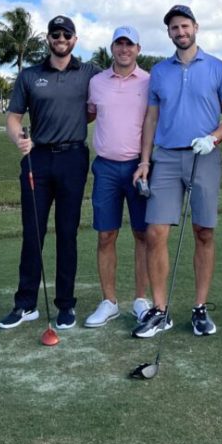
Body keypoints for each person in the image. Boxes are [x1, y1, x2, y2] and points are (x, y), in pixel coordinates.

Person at [132, 5, 222, 338]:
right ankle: (160, 310)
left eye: (185, 26)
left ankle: (199, 307)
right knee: (155, 233)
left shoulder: (219, 68)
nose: (180, 32)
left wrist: (214, 138)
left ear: (196, 27)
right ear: (168, 33)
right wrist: (145, 160)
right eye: (174, 28)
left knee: (204, 232)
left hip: (204, 156)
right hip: (164, 157)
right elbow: (150, 118)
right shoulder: (159, 71)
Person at [0, 15, 99, 331]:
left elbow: (106, 98)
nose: (60, 38)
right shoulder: (30, 75)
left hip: (73, 159)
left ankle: (66, 305)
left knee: (67, 234)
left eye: (66, 34)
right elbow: (14, 118)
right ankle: (25, 303)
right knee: (33, 232)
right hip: (37, 160)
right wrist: (19, 139)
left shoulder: (88, 73)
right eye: (55, 34)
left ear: (74, 39)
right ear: (48, 39)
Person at [83, 25, 152, 328]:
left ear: (138, 49)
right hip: (106, 167)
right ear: (112, 48)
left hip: (140, 166)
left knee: (143, 235)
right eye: (118, 44)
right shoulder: (96, 82)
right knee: (106, 234)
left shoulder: (150, 81)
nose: (124, 49)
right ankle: (109, 301)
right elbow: (88, 114)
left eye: (130, 44)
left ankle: (140, 299)